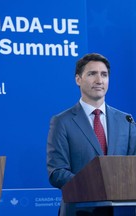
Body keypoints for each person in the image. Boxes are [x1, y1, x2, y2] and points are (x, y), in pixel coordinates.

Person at [46, 53, 136, 216]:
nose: (99, 80)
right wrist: (95, 186)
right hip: (80, 209)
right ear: (78, 79)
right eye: (92, 74)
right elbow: (57, 172)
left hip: (122, 210)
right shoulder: (62, 121)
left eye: (104, 75)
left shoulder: (126, 121)